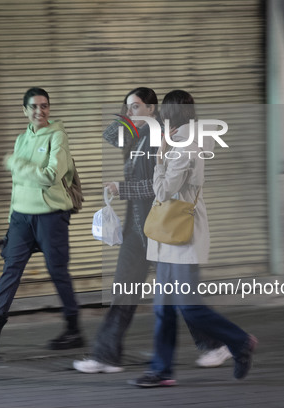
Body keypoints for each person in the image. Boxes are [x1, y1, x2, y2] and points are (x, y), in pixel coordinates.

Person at [73, 88, 227, 374]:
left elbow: (158, 189)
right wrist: (129, 114)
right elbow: (108, 136)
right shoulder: (134, 136)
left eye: (137, 107)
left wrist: (122, 189)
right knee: (123, 292)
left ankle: (215, 344)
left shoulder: (161, 141)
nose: (130, 112)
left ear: (153, 110)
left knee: (181, 294)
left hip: (160, 228)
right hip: (136, 232)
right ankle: (106, 356)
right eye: (127, 107)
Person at [131, 90, 257, 388]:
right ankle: (162, 371)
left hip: (182, 234)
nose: (160, 116)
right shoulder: (183, 138)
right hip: (169, 233)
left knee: (187, 305)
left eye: (164, 111)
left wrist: (160, 157)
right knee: (163, 307)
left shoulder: (184, 143)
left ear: (171, 114)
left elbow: (163, 190)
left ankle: (239, 342)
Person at [0, 87, 83, 352]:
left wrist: (17, 165)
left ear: (49, 109)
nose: (39, 111)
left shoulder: (58, 136)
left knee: (57, 271)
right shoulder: (20, 140)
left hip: (51, 216)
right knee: (11, 269)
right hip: (21, 217)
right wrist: (11, 222)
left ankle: (74, 329)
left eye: (44, 106)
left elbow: (52, 174)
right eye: (33, 106)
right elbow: (17, 184)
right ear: (25, 110)